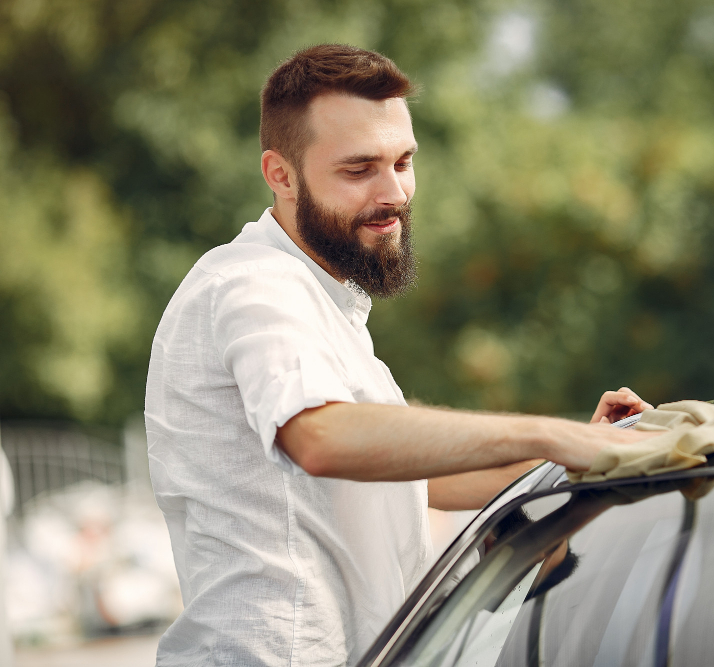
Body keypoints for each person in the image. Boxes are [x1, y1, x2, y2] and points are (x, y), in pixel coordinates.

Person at [145, 43, 654, 667]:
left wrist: (575, 460)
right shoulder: (254, 285)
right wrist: (552, 435)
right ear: (281, 175)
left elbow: (416, 477)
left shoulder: (324, 303)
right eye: (359, 169)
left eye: (403, 162)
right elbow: (321, 438)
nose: (394, 193)